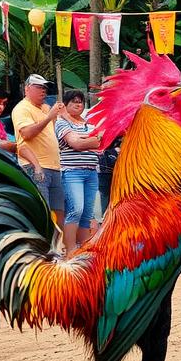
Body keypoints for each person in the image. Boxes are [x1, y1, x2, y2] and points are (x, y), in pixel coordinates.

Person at [12, 74, 65, 218]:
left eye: (45, 88)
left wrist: (55, 115)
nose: (44, 91)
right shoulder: (22, 108)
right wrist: (49, 117)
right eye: (39, 87)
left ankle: (56, 241)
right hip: (35, 166)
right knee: (43, 212)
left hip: (54, 166)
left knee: (59, 211)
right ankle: (44, 240)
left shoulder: (44, 108)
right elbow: (27, 134)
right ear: (27, 89)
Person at [55, 89, 102, 248]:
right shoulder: (61, 122)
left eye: (80, 101)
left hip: (91, 171)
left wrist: (85, 140)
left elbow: (99, 143)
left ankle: (82, 248)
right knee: (76, 210)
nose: (78, 104)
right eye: (74, 101)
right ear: (65, 105)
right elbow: (76, 143)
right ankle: (69, 250)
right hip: (72, 172)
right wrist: (91, 140)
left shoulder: (89, 123)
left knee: (87, 214)